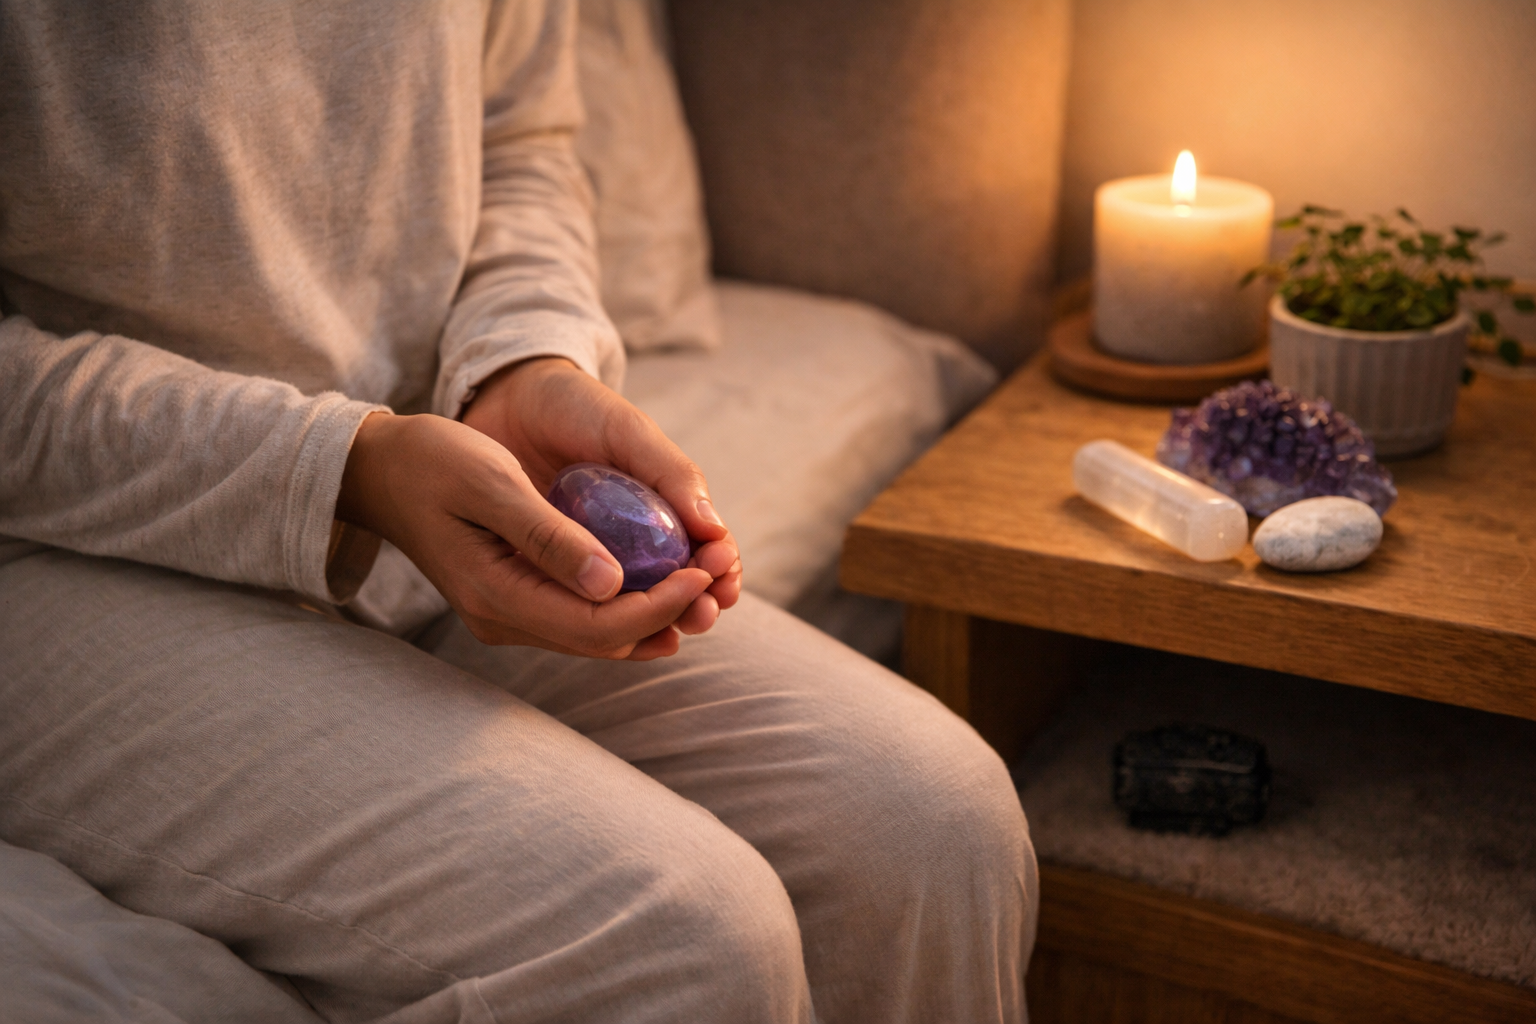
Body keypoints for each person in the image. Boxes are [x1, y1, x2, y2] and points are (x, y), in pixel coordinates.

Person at [0, 1, 1037, 1021]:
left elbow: (521, 136)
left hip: (432, 462)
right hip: (67, 547)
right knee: (684, 941)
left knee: (932, 819)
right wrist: (341, 470)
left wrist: (524, 357)